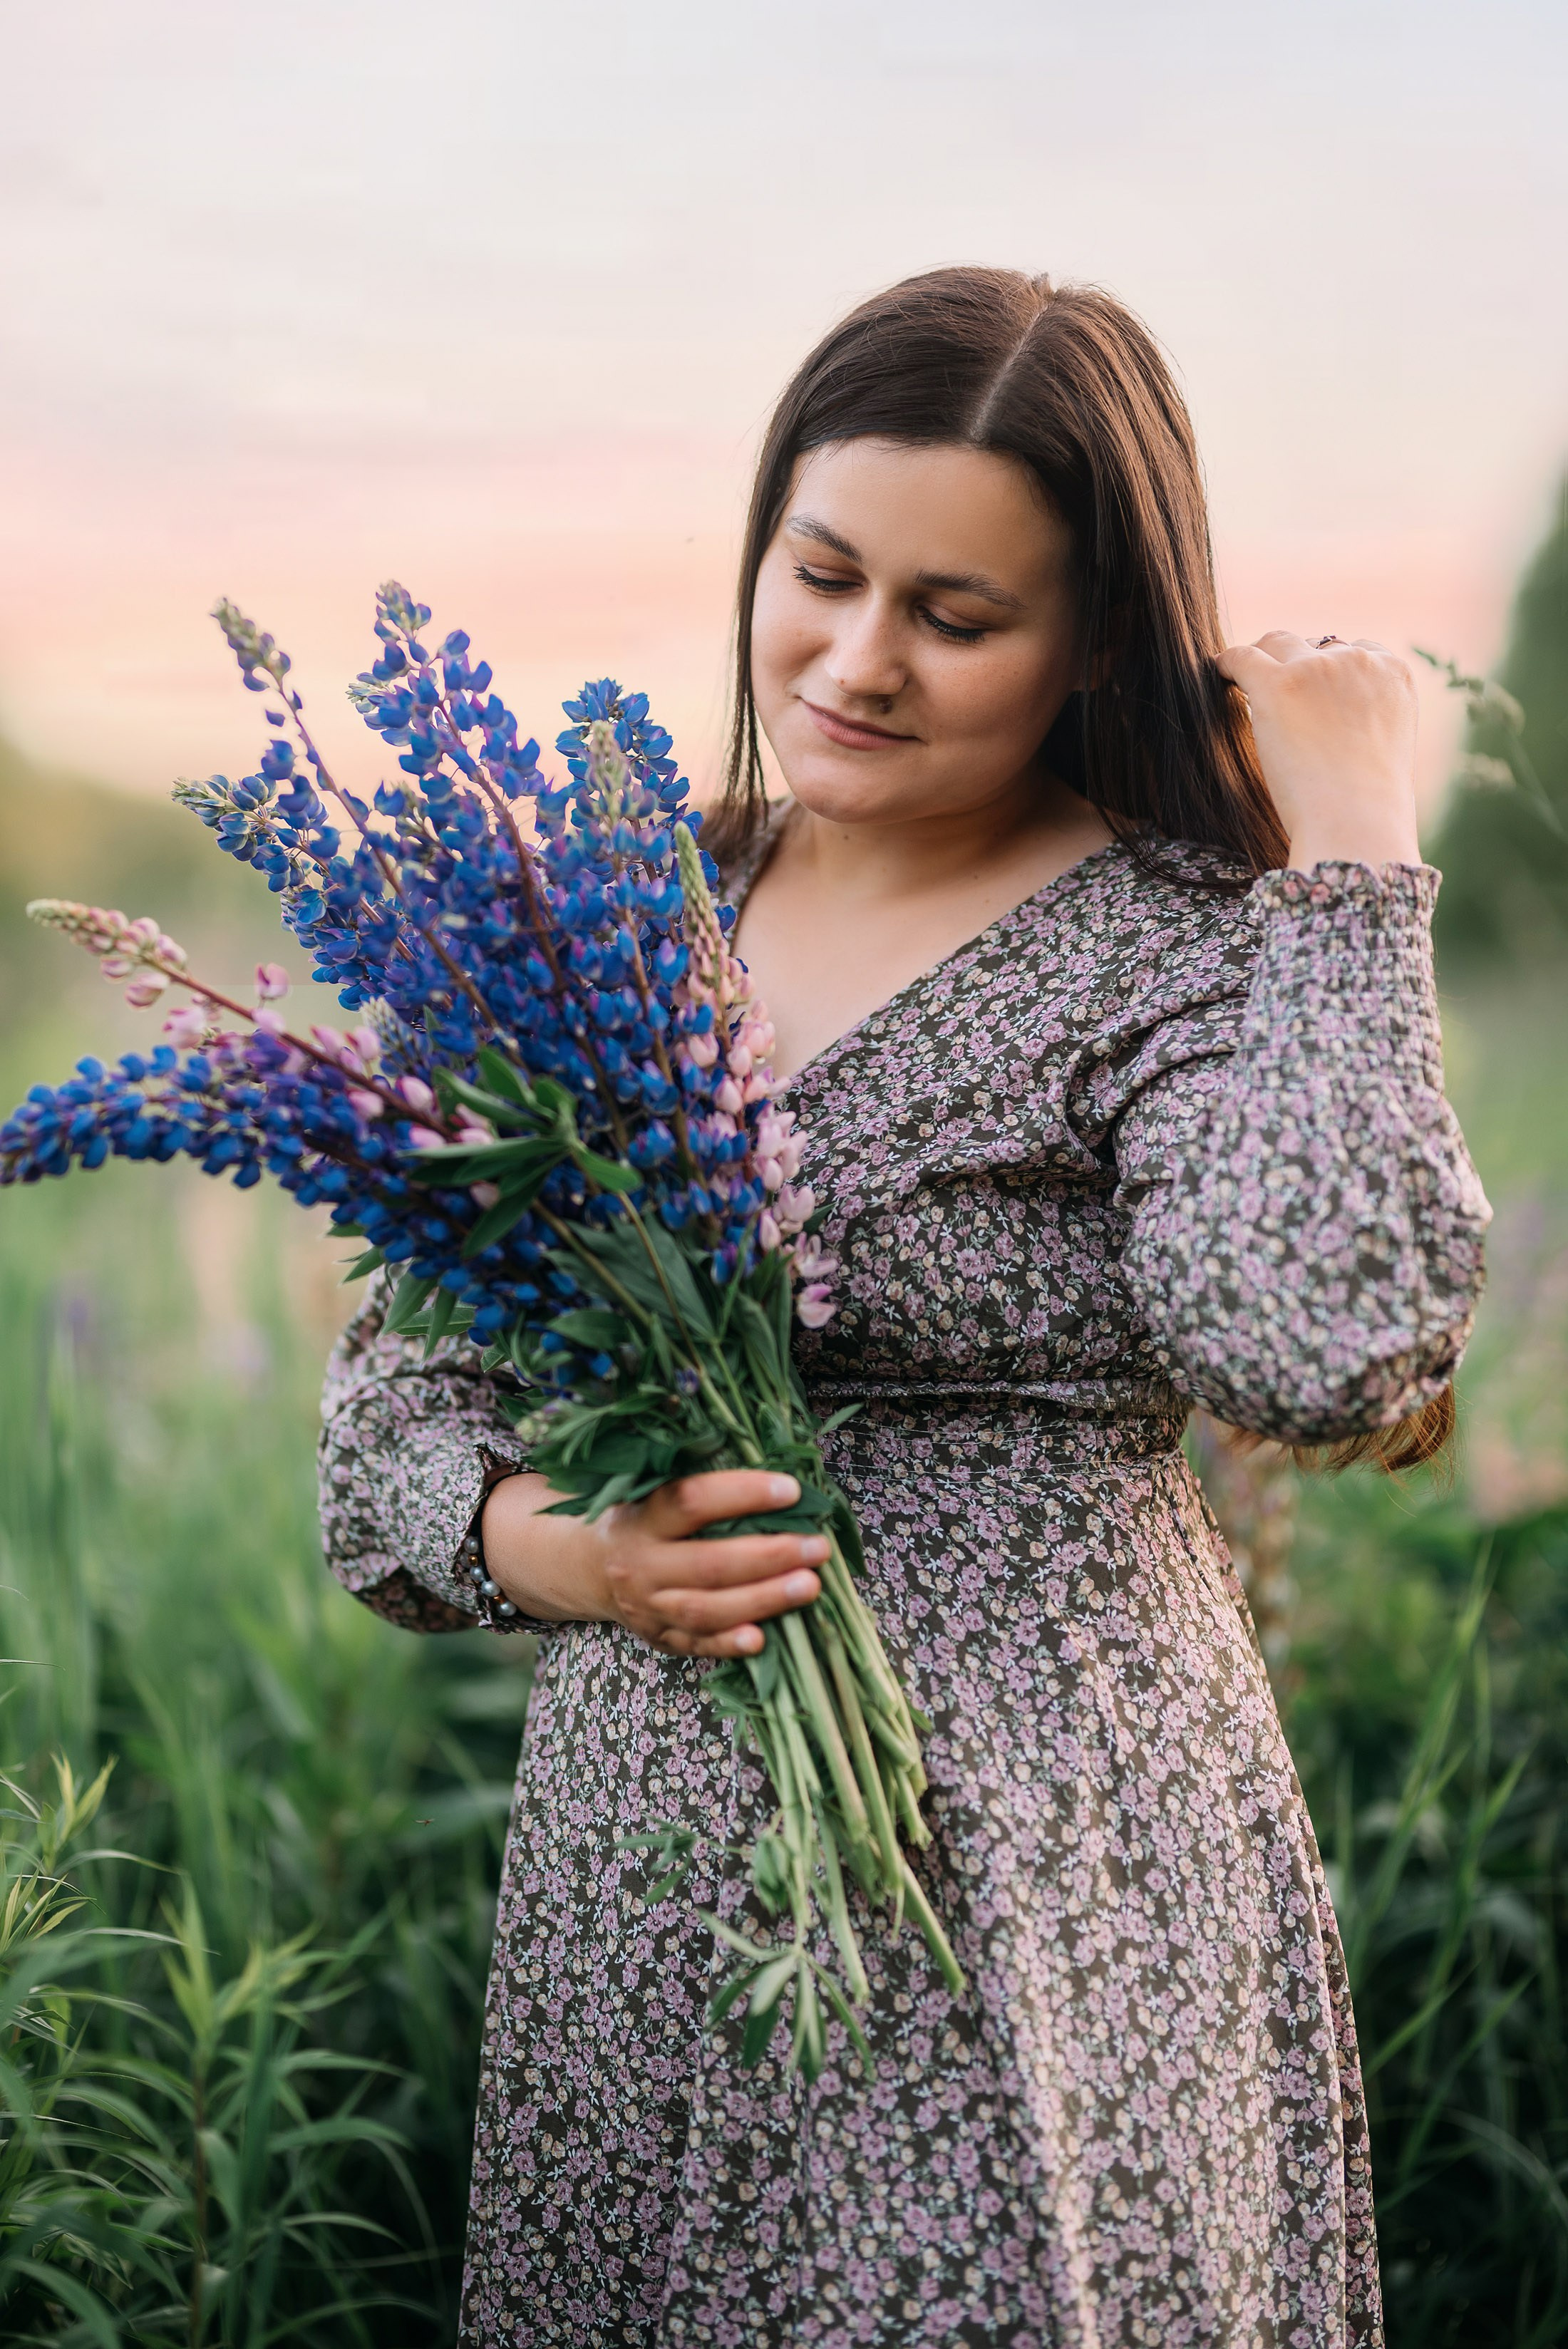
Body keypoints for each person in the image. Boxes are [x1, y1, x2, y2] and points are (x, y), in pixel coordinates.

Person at [318, 267, 1489, 2348]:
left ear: (1096, 637)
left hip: (1039, 1870)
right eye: (824, 573)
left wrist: (1357, 851)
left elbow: (1324, 1344)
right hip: (648, 1880)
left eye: (956, 616)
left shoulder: (1188, 950)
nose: (858, 662)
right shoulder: (604, 920)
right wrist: (569, 1554)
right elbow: (385, 1426)